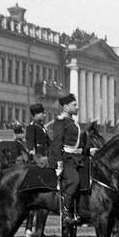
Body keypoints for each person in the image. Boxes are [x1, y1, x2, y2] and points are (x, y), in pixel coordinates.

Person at [51, 93, 93, 226]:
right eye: (74, 105)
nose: (77, 107)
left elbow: (75, 145)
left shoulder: (71, 122)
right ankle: (65, 212)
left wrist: (88, 151)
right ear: (65, 106)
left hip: (76, 157)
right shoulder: (60, 121)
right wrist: (59, 163)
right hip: (66, 159)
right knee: (73, 181)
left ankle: (82, 210)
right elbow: (57, 143)